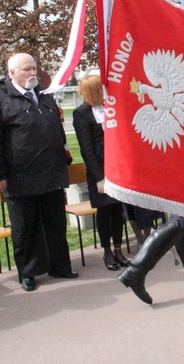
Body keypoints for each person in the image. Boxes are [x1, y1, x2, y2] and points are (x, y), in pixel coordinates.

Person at [0, 53, 77, 292]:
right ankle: (29, 272)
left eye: (34, 68)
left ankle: (59, 265)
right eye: (26, 69)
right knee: (25, 228)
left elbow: (57, 131)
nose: (32, 73)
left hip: (51, 174)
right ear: (12, 73)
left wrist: (64, 158)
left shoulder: (44, 96)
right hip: (20, 177)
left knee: (55, 223)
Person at [72, 73, 129, 270]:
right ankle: (107, 251)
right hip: (99, 170)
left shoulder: (108, 108)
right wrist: (98, 177)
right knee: (105, 211)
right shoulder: (81, 114)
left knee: (117, 211)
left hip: (116, 167)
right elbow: (86, 149)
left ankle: (118, 248)